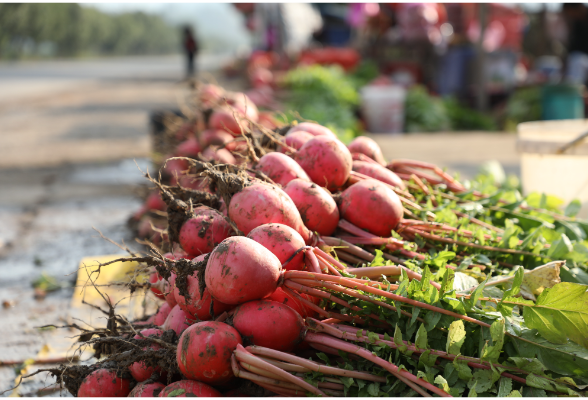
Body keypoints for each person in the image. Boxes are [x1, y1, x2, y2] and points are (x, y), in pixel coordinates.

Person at [563, 2, 588, 85]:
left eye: (570, 11)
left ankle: (574, 92)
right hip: (580, 61)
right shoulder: (578, 23)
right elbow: (574, 47)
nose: (570, 15)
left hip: (581, 61)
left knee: (577, 61)